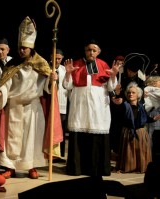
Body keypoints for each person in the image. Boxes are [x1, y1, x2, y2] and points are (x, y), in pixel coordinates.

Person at [0, 16, 62, 179]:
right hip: (14, 106)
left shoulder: (42, 64)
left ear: (31, 47)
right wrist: (0, 93)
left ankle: (31, 166)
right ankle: (10, 166)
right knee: (12, 139)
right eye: (20, 47)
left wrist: (52, 81)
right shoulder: (11, 65)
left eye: (24, 48)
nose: (21, 50)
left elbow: (47, 89)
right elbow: (5, 85)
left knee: (32, 139)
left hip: (33, 108)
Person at [63, 38, 119, 198]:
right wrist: (68, 73)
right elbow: (67, 86)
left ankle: (97, 168)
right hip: (80, 105)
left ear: (99, 52)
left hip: (98, 107)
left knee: (96, 136)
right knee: (78, 136)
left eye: (94, 50)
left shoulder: (104, 65)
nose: (91, 52)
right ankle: (76, 168)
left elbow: (110, 87)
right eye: (89, 50)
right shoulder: (76, 64)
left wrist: (113, 77)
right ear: (85, 51)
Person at [115, 82, 160, 173]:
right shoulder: (124, 105)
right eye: (129, 93)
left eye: (133, 92)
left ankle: (139, 167)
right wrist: (117, 94)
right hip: (128, 131)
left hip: (140, 132)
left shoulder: (141, 106)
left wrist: (154, 118)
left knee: (141, 151)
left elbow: (145, 118)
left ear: (138, 95)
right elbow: (118, 116)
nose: (130, 94)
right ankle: (129, 166)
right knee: (129, 152)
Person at [50, 48, 68, 163]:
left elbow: (67, 85)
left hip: (62, 103)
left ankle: (58, 155)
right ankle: (49, 154)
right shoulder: (46, 68)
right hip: (50, 102)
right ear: (51, 57)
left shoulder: (64, 70)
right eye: (55, 58)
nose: (57, 61)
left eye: (59, 59)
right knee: (50, 128)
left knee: (60, 129)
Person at [144, 76, 160, 162]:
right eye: (159, 81)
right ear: (154, 83)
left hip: (152, 112)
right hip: (154, 113)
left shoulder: (147, 89)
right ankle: (150, 158)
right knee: (152, 135)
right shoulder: (153, 89)